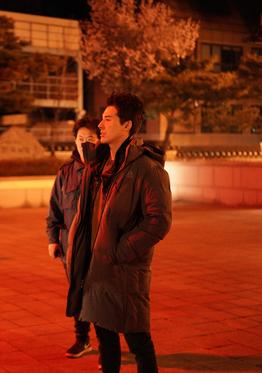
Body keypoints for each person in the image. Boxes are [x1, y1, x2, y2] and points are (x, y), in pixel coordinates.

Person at [66, 92, 172, 373]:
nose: (100, 124)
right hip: (96, 269)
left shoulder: (147, 169)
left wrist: (118, 251)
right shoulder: (99, 167)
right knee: (105, 339)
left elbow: (158, 221)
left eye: (107, 118)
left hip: (124, 272)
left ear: (127, 126)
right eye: (101, 118)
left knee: (138, 342)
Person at [46, 116, 99, 358]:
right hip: (71, 246)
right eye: (81, 139)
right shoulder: (66, 172)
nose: (84, 143)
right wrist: (52, 239)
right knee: (77, 291)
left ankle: (107, 347)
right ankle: (82, 339)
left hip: (99, 245)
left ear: (100, 140)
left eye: (90, 139)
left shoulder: (107, 169)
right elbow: (55, 208)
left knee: (99, 294)